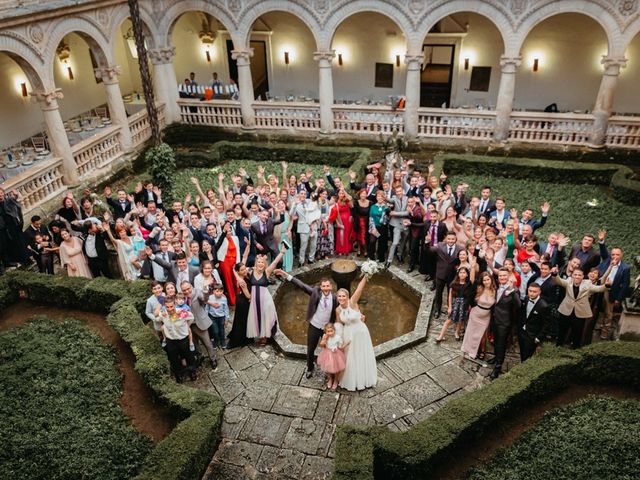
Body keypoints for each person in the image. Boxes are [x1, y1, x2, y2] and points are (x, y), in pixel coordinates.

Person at [275, 270, 338, 378]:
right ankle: (310, 367)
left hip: (327, 329)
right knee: (310, 349)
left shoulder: (335, 299)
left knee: (329, 349)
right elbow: (302, 285)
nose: (326, 288)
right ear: (321, 287)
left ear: (331, 287)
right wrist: (286, 276)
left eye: (328, 286)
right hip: (314, 325)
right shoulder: (315, 293)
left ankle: (328, 368)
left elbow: (345, 306)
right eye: (324, 286)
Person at [335, 275, 377, 391]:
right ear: (337, 297)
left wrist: (367, 275)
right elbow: (338, 325)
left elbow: (359, 289)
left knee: (362, 354)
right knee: (351, 358)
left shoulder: (352, 302)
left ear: (347, 296)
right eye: (339, 296)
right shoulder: (338, 310)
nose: (341, 298)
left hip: (360, 332)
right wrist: (338, 341)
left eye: (343, 296)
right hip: (348, 334)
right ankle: (353, 380)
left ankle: (365, 379)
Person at [555, 268, 608, 349]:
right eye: (575, 274)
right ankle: (558, 346)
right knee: (562, 330)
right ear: (572, 275)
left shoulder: (587, 284)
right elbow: (559, 281)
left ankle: (575, 348)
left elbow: (599, 289)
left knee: (577, 332)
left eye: (579, 275)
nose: (577, 276)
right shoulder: (568, 281)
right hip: (566, 310)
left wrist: (607, 285)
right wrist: (555, 274)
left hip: (579, 312)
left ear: (583, 276)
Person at [246, 248, 285, 345]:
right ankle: (259, 334)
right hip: (255, 300)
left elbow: (275, 262)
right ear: (256, 263)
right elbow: (240, 266)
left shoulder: (266, 272)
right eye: (258, 262)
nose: (260, 264)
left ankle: (264, 337)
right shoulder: (251, 271)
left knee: (265, 317)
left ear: (264, 264)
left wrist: (282, 252)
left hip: (265, 299)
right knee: (256, 317)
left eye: (262, 262)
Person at [597, 230, 631, 340]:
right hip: (598, 288)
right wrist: (601, 240)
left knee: (608, 313)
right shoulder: (607, 260)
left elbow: (626, 285)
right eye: (613, 254)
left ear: (622, 255)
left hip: (610, 292)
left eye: (617, 254)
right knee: (595, 308)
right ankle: (594, 328)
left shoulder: (625, 268)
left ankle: (604, 332)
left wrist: (618, 299)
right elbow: (603, 251)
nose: (614, 256)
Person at [489, 268, 521, 380]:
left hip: (504, 322)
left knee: (501, 344)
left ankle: (497, 368)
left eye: (504, 276)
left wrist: (512, 290)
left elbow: (518, 305)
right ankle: (496, 357)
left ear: (509, 276)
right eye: (500, 276)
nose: (502, 278)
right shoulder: (496, 287)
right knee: (495, 341)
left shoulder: (514, 290)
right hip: (494, 319)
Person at [155, 296, 196, 383]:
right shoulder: (163, 313)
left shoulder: (182, 312)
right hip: (171, 341)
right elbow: (157, 319)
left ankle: (192, 372)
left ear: (175, 305)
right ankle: (178, 375)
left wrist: (186, 326)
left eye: (171, 306)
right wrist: (160, 316)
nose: (169, 309)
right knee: (174, 359)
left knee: (189, 357)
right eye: (167, 307)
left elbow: (191, 318)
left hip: (183, 339)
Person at [181, 281, 218, 369]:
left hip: (200, 322)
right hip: (189, 325)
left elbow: (204, 298)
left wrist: (205, 290)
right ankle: (200, 356)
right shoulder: (181, 297)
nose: (186, 291)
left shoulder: (197, 293)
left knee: (207, 343)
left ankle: (213, 359)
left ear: (191, 286)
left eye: (188, 288)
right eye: (184, 290)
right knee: (195, 343)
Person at [461, 272, 496, 360]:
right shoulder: (479, 288)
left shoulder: (495, 290)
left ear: (491, 280)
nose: (486, 282)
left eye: (488, 279)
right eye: (484, 280)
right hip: (475, 313)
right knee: (472, 333)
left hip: (486, 316)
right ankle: (472, 351)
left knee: (482, 335)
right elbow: (470, 296)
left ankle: (482, 351)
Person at [436, 267, 473, 343]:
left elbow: (470, 296)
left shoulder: (469, 284)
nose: (462, 274)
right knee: (449, 320)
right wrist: (450, 307)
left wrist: (469, 306)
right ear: (458, 274)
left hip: (464, 305)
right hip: (455, 304)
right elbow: (450, 296)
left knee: (461, 320)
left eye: (464, 273)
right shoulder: (454, 283)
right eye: (460, 272)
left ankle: (457, 332)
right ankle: (441, 336)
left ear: (467, 274)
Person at [431, 231, 463, 318]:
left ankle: (450, 309)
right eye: (449, 239)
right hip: (440, 274)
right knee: (438, 293)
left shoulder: (460, 249)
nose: (451, 240)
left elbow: (462, 260)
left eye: (452, 239)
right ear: (446, 239)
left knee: (451, 293)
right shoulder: (440, 245)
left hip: (452, 276)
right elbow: (430, 250)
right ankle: (437, 309)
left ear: (456, 239)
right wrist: (427, 242)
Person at [518, 283, 549, 362]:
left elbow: (546, 324)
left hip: (532, 336)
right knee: (522, 355)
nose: (531, 293)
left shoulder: (543, 306)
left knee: (527, 358)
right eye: (530, 291)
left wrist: (538, 338)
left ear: (539, 292)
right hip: (522, 333)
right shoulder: (526, 298)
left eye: (534, 291)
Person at [317, 323, 349, 391]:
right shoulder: (325, 336)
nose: (330, 333)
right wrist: (325, 339)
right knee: (328, 368)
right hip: (327, 354)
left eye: (331, 331)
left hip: (336, 354)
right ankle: (330, 379)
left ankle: (336, 380)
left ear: (334, 330)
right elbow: (322, 345)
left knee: (337, 368)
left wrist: (346, 344)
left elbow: (341, 347)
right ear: (325, 332)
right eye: (328, 331)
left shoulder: (338, 337)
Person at [227, 262, 252, 348]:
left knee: (240, 319)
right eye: (242, 270)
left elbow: (243, 261)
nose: (245, 270)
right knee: (243, 320)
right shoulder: (242, 282)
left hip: (240, 299)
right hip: (244, 302)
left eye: (245, 268)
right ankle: (242, 339)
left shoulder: (242, 276)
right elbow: (248, 296)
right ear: (238, 272)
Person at [206, 283, 229, 349]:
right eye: (217, 291)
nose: (219, 293)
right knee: (215, 331)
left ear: (223, 291)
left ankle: (222, 341)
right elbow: (207, 308)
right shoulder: (210, 298)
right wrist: (206, 316)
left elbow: (226, 309)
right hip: (212, 317)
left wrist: (226, 319)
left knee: (222, 330)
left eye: (221, 291)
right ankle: (215, 341)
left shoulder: (224, 299)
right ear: (213, 291)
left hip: (221, 317)